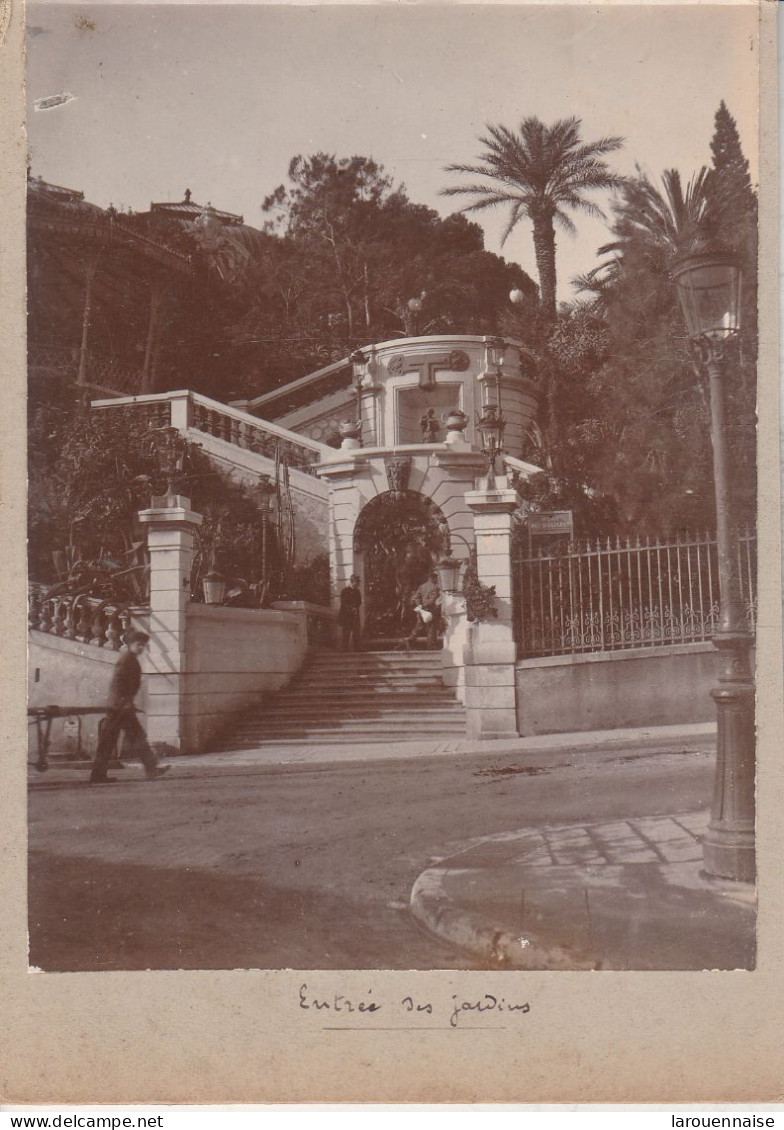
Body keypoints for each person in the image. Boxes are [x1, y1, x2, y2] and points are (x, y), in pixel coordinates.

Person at [89, 631, 170, 784]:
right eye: (138, 645)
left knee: (137, 737)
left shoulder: (131, 659)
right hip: (119, 708)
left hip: (123, 707)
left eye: (143, 645)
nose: (141, 648)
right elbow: (118, 684)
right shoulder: (126, 660)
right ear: (131, 645)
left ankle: (151, 768)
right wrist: (124, 702)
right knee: (109, 741)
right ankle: (97, 775)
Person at [407, 571, 442, 650]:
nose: (437, 580)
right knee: (432, 628)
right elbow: (433, 600)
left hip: (421, 610)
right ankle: (431, 646)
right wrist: (425, 605)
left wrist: (420, 605)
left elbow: (417, 597)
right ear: (433, 578)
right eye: (436, 578)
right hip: (430, 611)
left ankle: (411, 639)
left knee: (419, 626)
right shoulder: (435, 587)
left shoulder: (421, 586)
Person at [337, 574, 362, 652]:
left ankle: (357, 649)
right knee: (346, 632)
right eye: (357, 582)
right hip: (346, 615)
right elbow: (344, 603)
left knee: (356, 632)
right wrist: (351, 608)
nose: (358, 584)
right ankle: (344, 649)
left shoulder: (358, 592)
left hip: (355, 615)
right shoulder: (344, 591)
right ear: (353, 582)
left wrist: (355, 607)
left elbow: (359, 602)